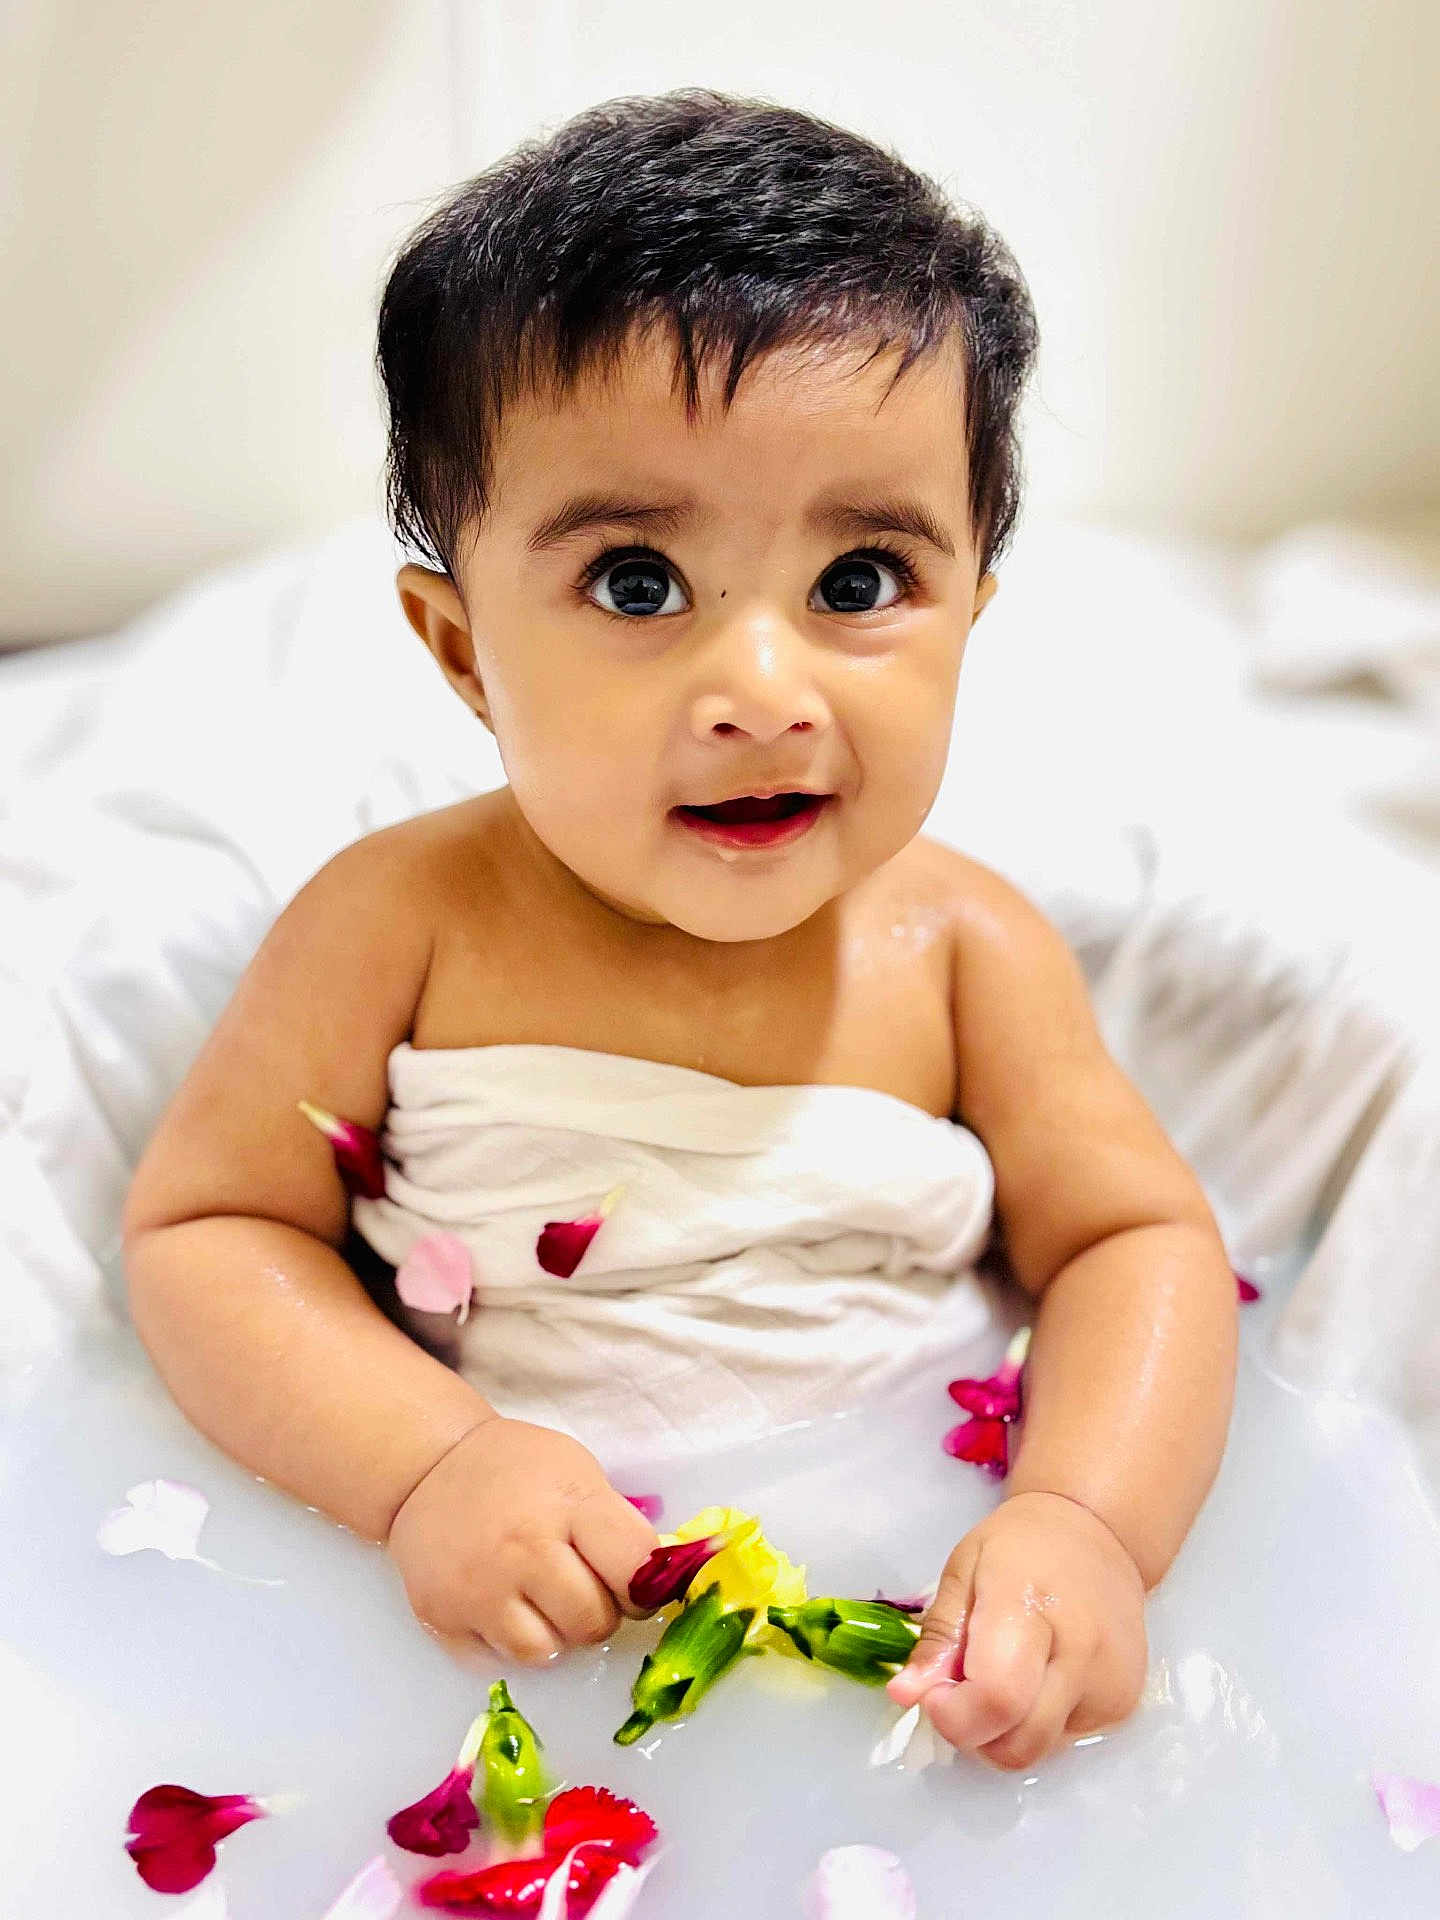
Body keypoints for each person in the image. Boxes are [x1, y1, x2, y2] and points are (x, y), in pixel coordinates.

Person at [122, 89, 1237, 1775]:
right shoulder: (400, 921)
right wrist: (427, 1465)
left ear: (976, 613)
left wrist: (1085, 1518)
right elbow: (209, 1231)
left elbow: (1133, 1246)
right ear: (461, 650)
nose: (764, 695)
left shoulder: (961, 950)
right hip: (503, 1640)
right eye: (638, 582)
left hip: (899, 1623)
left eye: (862, 582)